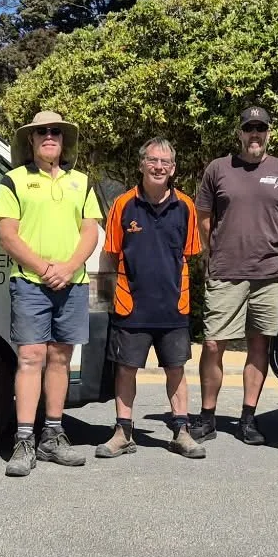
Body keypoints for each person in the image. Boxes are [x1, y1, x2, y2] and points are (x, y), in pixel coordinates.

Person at [0, 109, 104, 477]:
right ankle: (24, 440)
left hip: (71, 283)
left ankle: (53, 435)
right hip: (30, 282)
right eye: (41, 132)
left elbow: (90, 231)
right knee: (30, 358)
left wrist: (69, 267)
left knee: (60, 359)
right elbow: (8, 234)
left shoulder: (82, 182)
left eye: (55, 131)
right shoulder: (14, 180)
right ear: (31, 140)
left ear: (63, 139)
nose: (49, 136)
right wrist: (44, 269)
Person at [194, 105, 278, 446]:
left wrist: (277, 243)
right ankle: (208, 417)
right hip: (226, 272)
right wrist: (213, 252)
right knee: (213, 344)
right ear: (240, 133)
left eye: (260, 128)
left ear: (269, 132)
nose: (254, 134)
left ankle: (247, 419)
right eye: (249, 128)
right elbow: (203, 218)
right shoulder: (218, 169)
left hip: (268, 275)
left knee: (259, 344)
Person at [95, 137, 206, 461]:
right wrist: (106, 301)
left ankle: (181, 432)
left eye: (165, 163)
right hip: (131, 307)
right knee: (126, 370)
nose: (159, 167)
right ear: (142, 164)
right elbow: (109, 257)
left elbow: (189, 257)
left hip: (173, 307)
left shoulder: (185, 206)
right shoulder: (122, 205)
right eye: (153, 161)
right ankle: (123, 432)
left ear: (173, 169)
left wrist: (186, 300)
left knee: (176, 369)